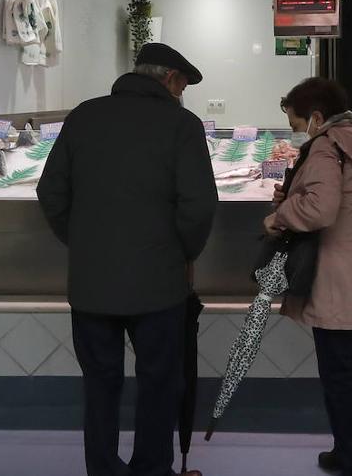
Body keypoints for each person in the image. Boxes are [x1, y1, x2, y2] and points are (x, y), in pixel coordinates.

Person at [38, 43, 217, 476]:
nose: (182, 95)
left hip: (91, 283)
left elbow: (51, 193)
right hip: (159, 285)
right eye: (182, 86)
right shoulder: (181, 124)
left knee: (100, 384)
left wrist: (83, 243)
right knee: (159, 383)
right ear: (171, 80)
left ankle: (102, 468)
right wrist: (183, 252)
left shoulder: (84, 116)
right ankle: (152, 469)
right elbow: (199, 205)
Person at [265, 78, 352, 476]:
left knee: (339, 374)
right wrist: (293, 196)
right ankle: (348, 449)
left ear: (317, 117)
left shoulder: (325, 147)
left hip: (338, 271)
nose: (297, 131)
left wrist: (279, 216)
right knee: (343, 369)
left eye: (297, 122)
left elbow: (321, 211)